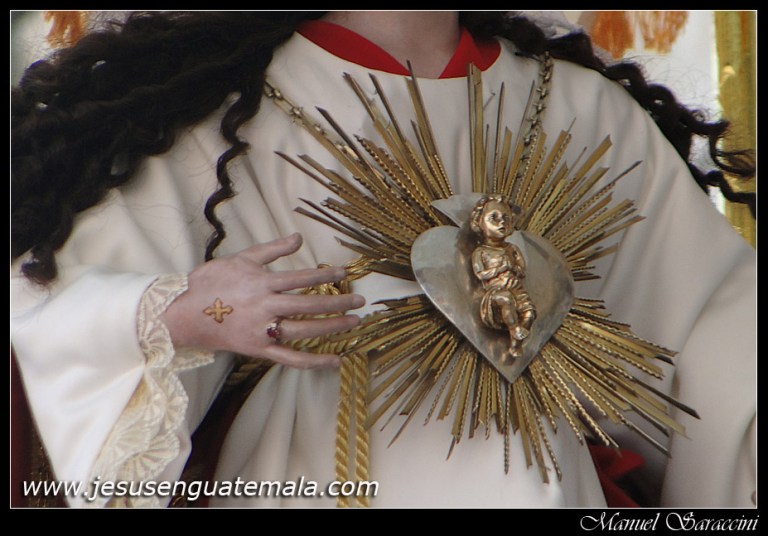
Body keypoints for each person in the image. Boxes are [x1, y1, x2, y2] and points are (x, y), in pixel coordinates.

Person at [11, 11, 756, 508]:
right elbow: (61, 313)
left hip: (540, 468)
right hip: (316, 464)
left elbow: (706, 322)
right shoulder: (208, 111)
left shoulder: (584, 111)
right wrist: (197, 310)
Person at [470, 196, 536, 360]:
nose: (501, 222)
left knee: (530, 313)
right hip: (495, 293)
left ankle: (516, 343)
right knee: (505, 299)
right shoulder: (481, 252)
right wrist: (500, 269)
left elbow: (522, 271)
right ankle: (514, 328)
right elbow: (480, 274)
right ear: (479, 222)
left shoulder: (512, 249)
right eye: (494, 218)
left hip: (517, 290)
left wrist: (514, 268)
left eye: (506, 218)